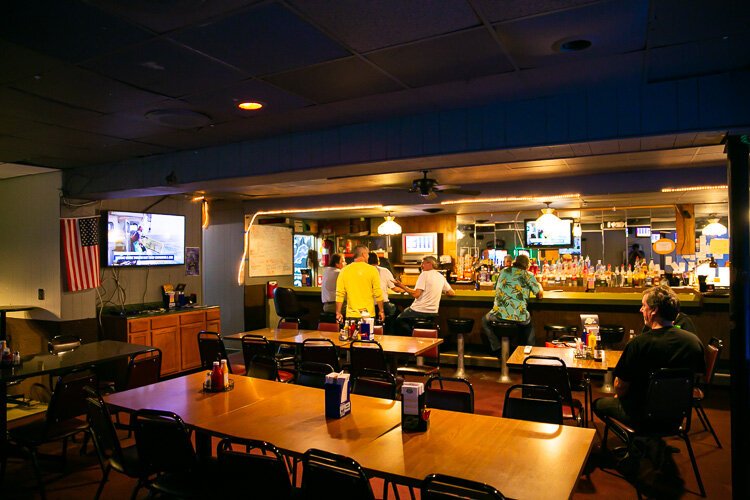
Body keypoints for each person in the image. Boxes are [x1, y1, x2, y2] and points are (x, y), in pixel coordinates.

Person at [593, 285, 705, 426]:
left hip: (640, 415)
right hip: (676, 416)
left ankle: (639, 438)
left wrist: (620, 396)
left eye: (643, 306)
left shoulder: (638, 344)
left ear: (654, 310)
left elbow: (620, 386)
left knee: (598, 404)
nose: (641, 310)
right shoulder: (694, 342)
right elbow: (697, 377)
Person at [481, 254, 543, 354]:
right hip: (519, 316)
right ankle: (530, 352)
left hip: (498, 315)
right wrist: (539, 285)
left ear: (515, 262)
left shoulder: (503, 271)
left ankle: (497, 347)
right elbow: (539, 295)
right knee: (529, 324)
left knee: (484, 320)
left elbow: (495, 288)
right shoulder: (528, 275)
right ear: (527, 266)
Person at [393, 256, 455, 335]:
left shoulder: (424, 274)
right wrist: (439, 291)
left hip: (419, 310)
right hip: (433, 312)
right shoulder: (440, 276)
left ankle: (414, 336)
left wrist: (402, 286)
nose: (421, 266)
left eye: (423, 263)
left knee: (398, 320)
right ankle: (419, 335)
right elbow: (451, 293)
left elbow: (416, 294)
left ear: (430, 263)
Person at [335, 245, 385, 324]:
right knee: (368, 332)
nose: (368, 256)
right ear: (363, 254)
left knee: (352, 332)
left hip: (351, 315)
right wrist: (381, 311)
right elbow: (378, 292)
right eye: (367, 254)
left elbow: (339, 294)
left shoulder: (344, 271)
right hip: (368, 315)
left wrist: (338, 312)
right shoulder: (372, 270)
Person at [368, 252, 401, 333]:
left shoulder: (363, 272)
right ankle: (389, 333)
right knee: (394, 310)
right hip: (383, 304)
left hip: (368, 305)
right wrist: (405, 289)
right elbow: (395, 288)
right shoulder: (384, 271)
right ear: (378, 261)